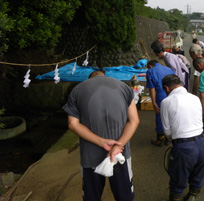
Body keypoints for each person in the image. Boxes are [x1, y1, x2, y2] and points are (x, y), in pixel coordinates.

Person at [63, 71, 139, 201]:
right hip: (119, 154)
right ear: (104, 76)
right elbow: (134, 120)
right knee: (124, 196)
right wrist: (118, 145)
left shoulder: (77, 90)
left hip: (90, 154)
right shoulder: (123, 87)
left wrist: (102, 142)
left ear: (90, 78)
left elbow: (72, 124)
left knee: (92, 196)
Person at [160, 74, 204, 201]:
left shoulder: (166, 102)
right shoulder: (195, 98)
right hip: (202, 142)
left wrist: (175, 141)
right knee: (197, 175)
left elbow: (167, 130)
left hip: (185, 147)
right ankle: (192, 197)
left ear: (166, 88)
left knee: (178, 179)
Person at [146, 60, 175, 146]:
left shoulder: (150, 71)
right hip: (171, 95)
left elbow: (152, 88)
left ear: (150, 66)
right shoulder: (169, 69)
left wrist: (154, 102)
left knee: (160, 116)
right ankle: (168, 138)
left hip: (160, 97)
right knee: (171, 116)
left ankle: (160, 139)